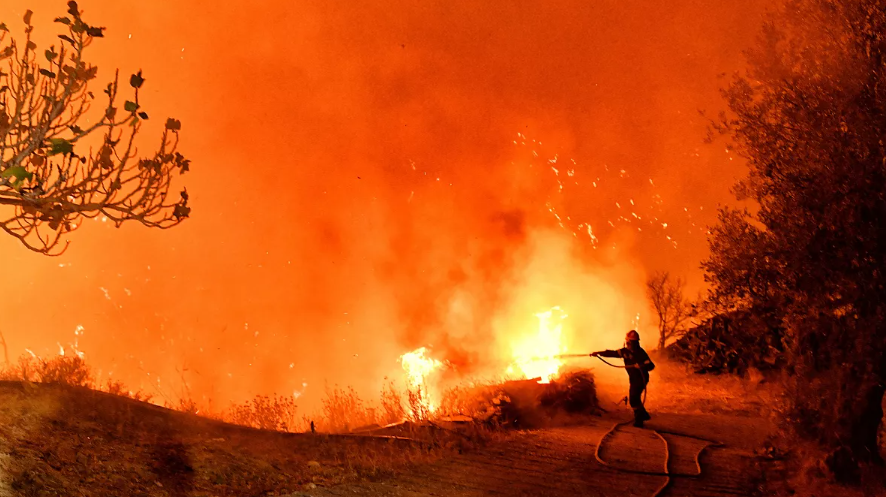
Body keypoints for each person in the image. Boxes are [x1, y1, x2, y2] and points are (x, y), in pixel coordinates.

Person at [591, 330, 655, 427]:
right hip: (633, 379)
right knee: (635, 398)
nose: (630, 344)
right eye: (630, 342)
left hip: (641, 379)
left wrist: (641, 366)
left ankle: (639, 420)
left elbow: (651, 365)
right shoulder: (625, 352)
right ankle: (643, 415)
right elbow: (612, 353)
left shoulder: (640, 353)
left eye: (633, 342)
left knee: (633, 399)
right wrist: (598, 353)